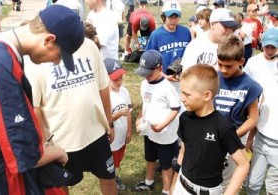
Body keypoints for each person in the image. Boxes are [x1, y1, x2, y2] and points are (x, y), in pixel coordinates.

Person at [0, 5, 84, 194]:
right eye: (59, 55)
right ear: (49, 40)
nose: (56, 62)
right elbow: (21, 153)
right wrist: (57, 152)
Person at [25, 27, 118, 195]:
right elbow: (35, 105)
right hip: (61, 141)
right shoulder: (37, 59)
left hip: (96, 133)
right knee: (60, 185)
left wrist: (109, 122)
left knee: (109, 177)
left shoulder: (89, 46)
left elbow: (103, 86)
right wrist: (45, 143)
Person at [172, 64, 250, 195]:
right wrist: (174, 183)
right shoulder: (185, 118)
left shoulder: (223, 126)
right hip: (182, 186)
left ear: (207, 95)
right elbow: (184, 150)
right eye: (181, 92)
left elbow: (243, 165)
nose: (181, 98)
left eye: (187, 94)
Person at [214, 34, 263, 192]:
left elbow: (253, 118)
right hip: (212, 133)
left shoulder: (250, 85)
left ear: (241, 62)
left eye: (228, 66)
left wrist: (232, 136)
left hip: (234, 136)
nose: (223, 70)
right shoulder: (215, 77)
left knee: (227, 180)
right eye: (220, 64)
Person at [132, 50, 181, 195]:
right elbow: (145, 102)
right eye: (144, 73)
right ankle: (149, 182)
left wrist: (163, 125)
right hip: (149, 131)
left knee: (166, 165)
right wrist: (139, 117)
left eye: (149, 73)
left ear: (160, 69)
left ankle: (167, 191)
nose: (146, 76)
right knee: (150, 158)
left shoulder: (167, 88)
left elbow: (175, 108)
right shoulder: (144, 84)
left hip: (165, 135)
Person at [243, 28, 278, 195]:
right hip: (257, 123)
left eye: (274, 47)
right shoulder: (254, 63)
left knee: (273, 186)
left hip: (274, 134)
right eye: (267, 47)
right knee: (253, 181)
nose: (270, 50)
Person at [145, 0, 191, 88]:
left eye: (176, 17)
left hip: (182, 79)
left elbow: (190, 54)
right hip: (163, 79)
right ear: (164, 17)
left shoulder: (185, 32)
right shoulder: (156, 35)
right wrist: (164, 76)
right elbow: (149, 60)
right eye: (170, 17)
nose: (173, 20)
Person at [103, 58, 132, 190]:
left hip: (122, 134)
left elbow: (129, 112)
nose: (119, 82)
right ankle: (112, 178)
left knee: (119, 155)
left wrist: (129, 131)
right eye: (115, 79)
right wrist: (119, 114)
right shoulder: (105, 96)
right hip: (112, 138)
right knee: (111, 160)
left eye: (121, 77)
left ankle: (114, 174)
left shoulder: (124, 92)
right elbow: (105, 119)